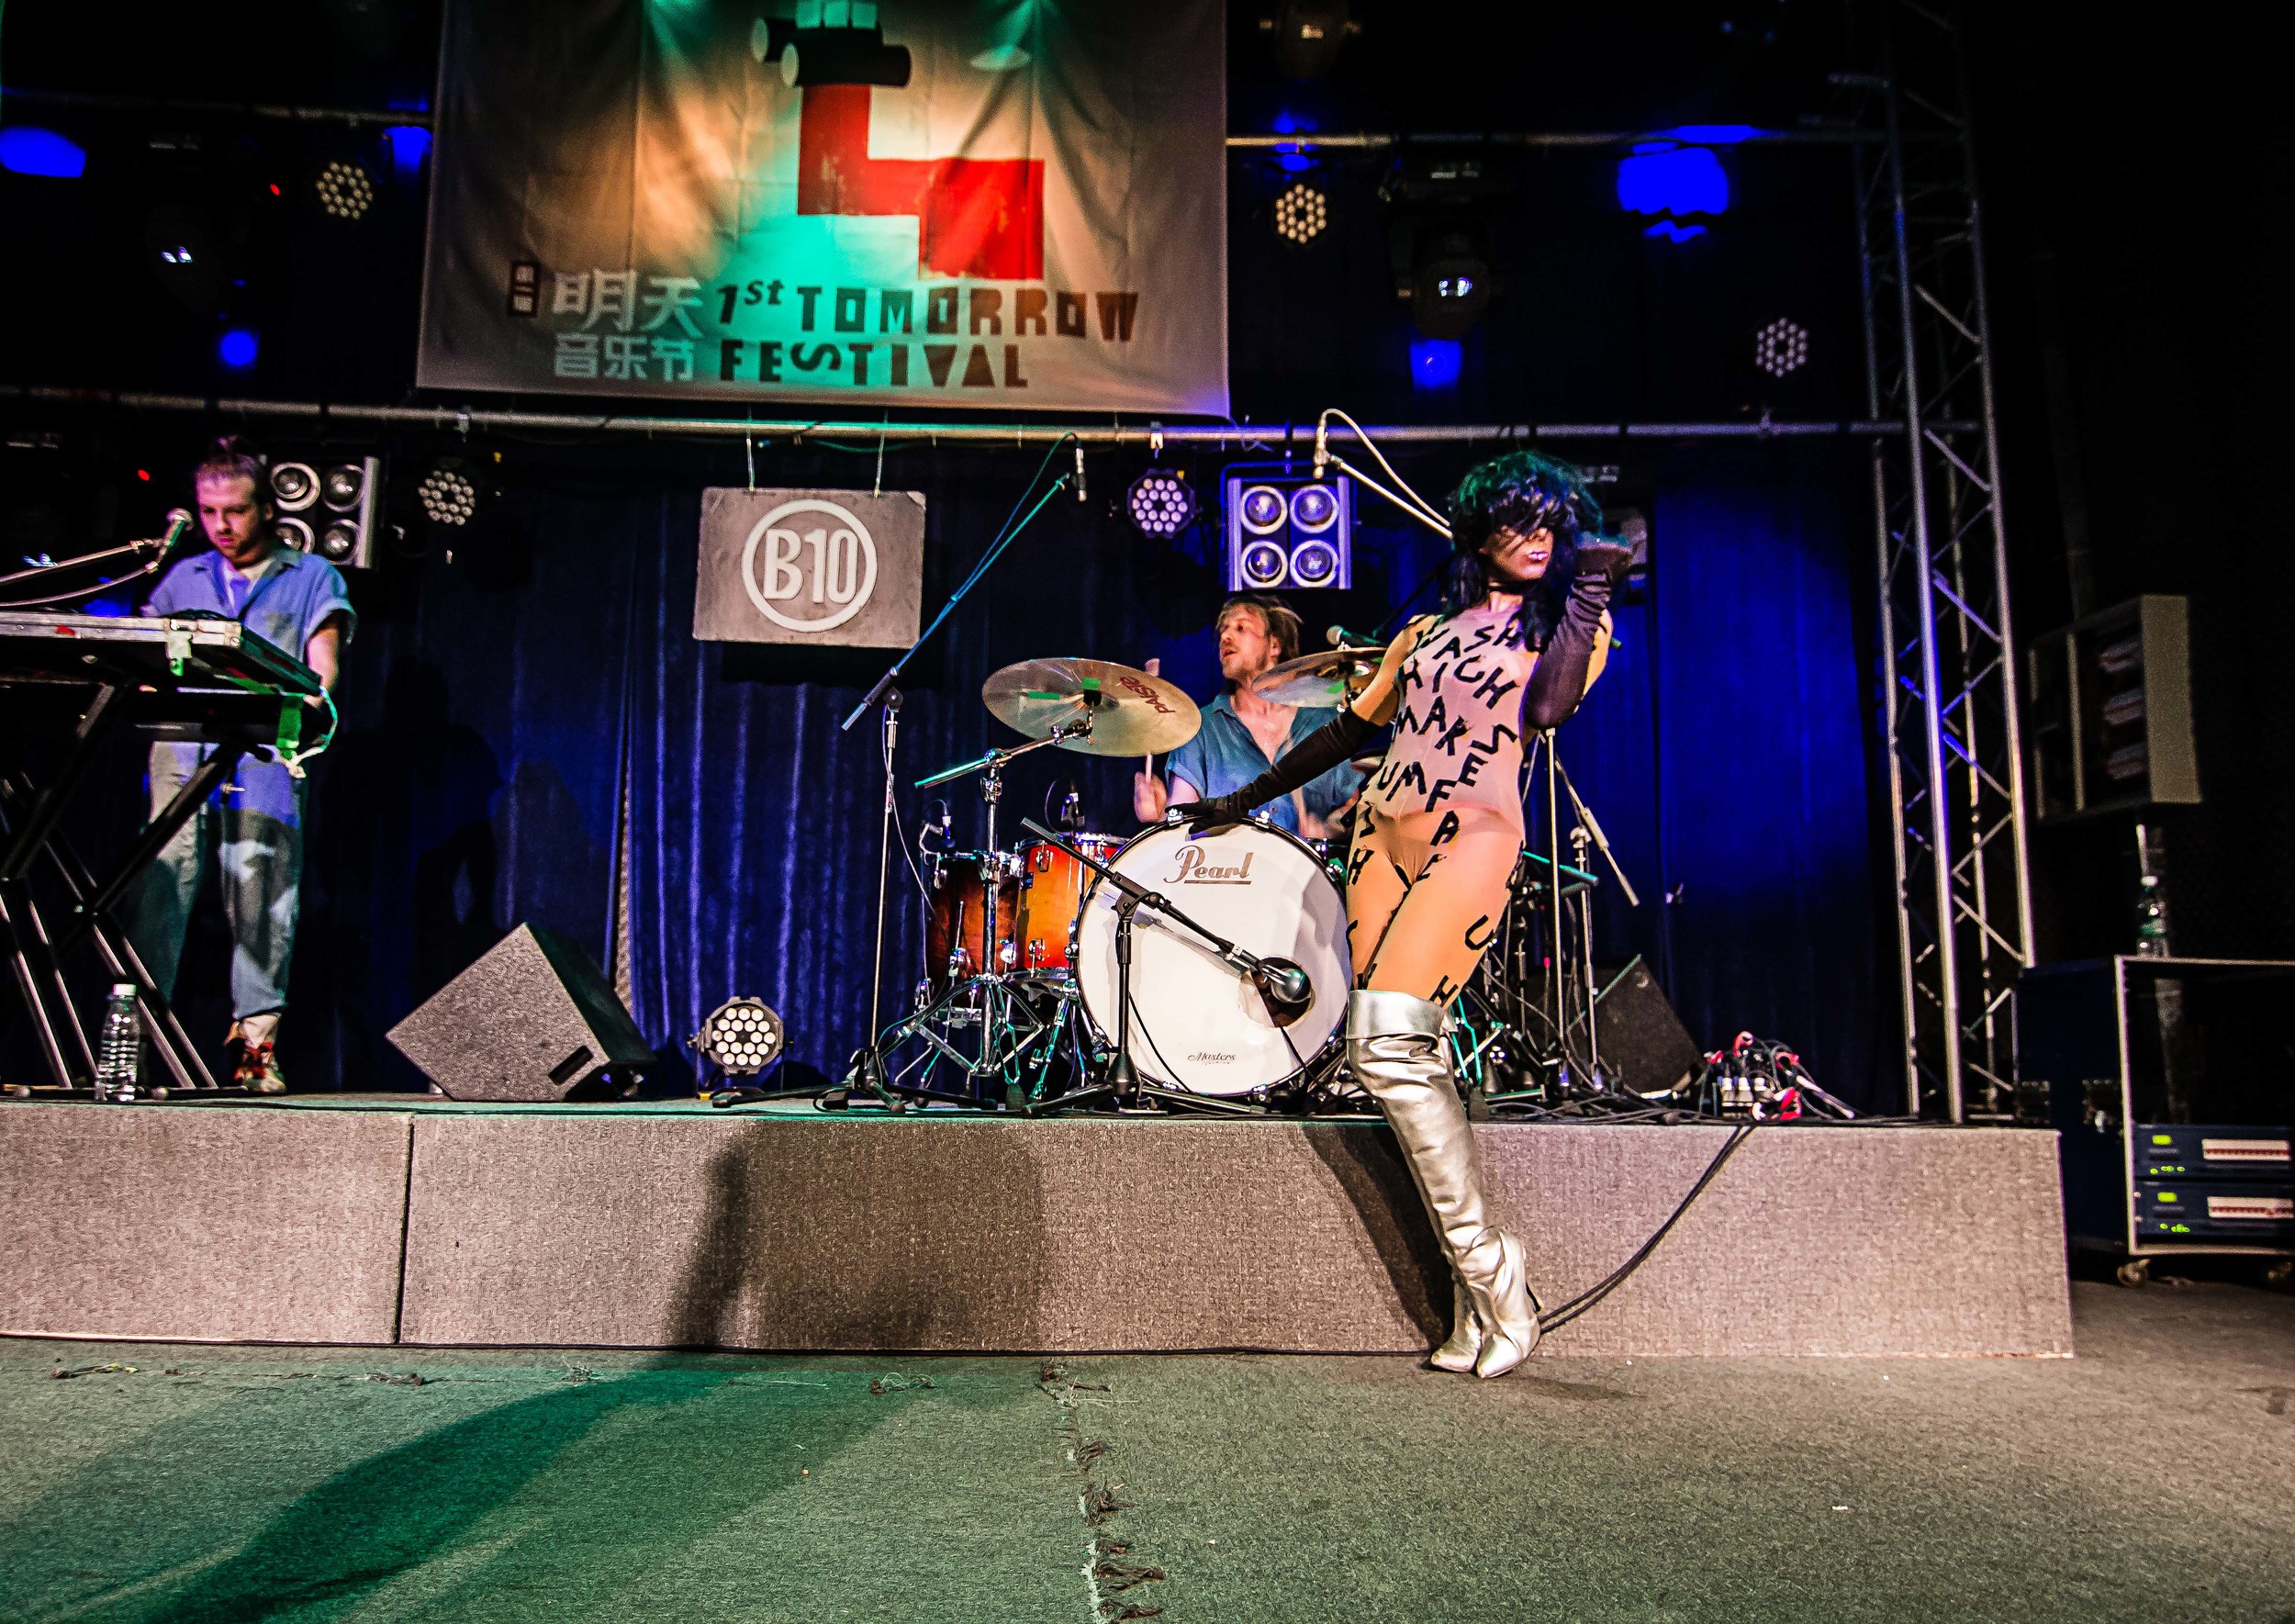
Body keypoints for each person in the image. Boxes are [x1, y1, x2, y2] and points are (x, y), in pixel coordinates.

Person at [1176, 452, 1626, 1379]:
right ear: (1479, 533)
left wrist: (1588, 589)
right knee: (1395, 1053)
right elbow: (1349, 731)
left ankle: (1493, 1269)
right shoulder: (1422, 632)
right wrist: (1242, 799)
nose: (1536, 538)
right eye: (1516, 521)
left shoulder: (1571, 626)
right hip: (1381, 840)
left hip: (1475, 837)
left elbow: (1548, 707)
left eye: (1549, 522)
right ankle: (1474, 1298)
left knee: (1385, 1041)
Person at [129, 438, 354, 1093]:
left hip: (264, 752)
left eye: (235, 510)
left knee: (262, 892)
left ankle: (257, 1049)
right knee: (161, 888)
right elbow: (142, 657)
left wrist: (307, 707)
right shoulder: (183, 577)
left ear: (266, 508)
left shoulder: (311, 575)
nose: (222, 525)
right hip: (182, 747)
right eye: (209, 512)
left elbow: (323, 666)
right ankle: (133, 1045)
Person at [1131, 592, 1359, 839]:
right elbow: (1183, 823)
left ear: (1274, 645)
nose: (1225, 637)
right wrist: (1160, 818)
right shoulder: (1201, 728)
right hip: (1224, 862)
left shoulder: (1322, 723)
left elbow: (1354, 809)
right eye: (1223, 630)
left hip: (1305, 864)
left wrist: (1327, 829)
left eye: (1241, 628)